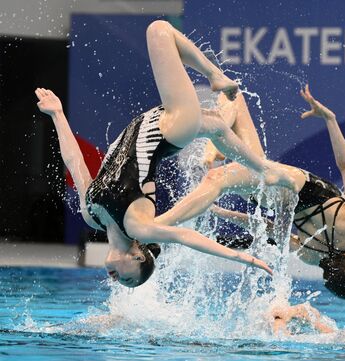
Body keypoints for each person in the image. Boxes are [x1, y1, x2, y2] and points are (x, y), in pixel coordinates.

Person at [34, 20, 299, 287]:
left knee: (218, 126)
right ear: (138, 257)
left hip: (157, 119)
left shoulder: (92, 216)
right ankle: (215, 76)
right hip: (172, 129)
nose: (117, 281)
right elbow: (186, 237)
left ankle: (264, 168)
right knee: (158, 31)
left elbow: (74, 162)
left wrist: (57, 114)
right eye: (129, 279)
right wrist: (244, 258)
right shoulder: (139, 227)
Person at [154, 85, 345, 298]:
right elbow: (271, 229)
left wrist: (330, 119)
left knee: (216, 178)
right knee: (233, 98)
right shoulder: (311, 257)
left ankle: (157, 225)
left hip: (278, 182)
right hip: (265, 194)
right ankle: (214, 147)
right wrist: (223, 214)